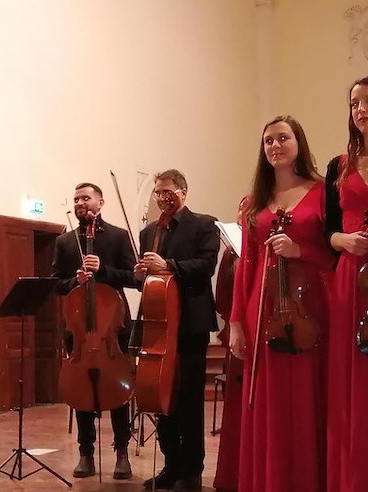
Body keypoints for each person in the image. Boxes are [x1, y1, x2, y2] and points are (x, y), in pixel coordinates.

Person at [229, 116, 332, 491]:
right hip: (263, 308)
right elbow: (246, 267)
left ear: (298, 143)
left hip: (310, 306)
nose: (275, 146)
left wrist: (299, 249)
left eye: (283, 138)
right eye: (268, 140)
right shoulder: (253, 202)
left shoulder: (323, 191)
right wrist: (237, 321)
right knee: (269, 403)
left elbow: (333, 255)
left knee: (308, 397)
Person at [133, 169, 220, 492]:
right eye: (157, 193)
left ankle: (191, 470)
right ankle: (170, 466)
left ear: (183, 191)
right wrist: (140, 273)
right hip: (157, 325)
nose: (162, 198)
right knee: (161, 398)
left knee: (188, 401)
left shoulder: (203, 224)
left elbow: (205, 266)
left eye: (167, 191)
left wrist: (168, 266)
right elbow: (144, 280)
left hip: (190, 325)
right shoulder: (147, 233)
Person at [325, 76, 368, 492]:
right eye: (353, 104)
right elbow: (326, 230)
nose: (360, 109)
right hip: (350, 279)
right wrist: (341, 239)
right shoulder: (339, 166)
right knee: (351, 380)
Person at [51, 182, 137, 480]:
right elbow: (56, 282)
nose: (80, 203)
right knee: (81, 388)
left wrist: (103, 271)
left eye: (86, 198)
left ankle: (122, 452)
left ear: (101, 203)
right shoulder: (65, 242)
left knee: (118, 386)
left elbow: (134, 278)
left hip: (114, 326)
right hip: (78, 326)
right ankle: (85, 452)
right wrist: (74, 281)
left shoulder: (117, 237)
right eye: (76, 199)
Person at [213, 197, 247, 492]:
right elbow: (222, 296)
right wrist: (234, 322)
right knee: (236, 408)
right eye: (241, 210)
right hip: (237, 335)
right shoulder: (230, 254)